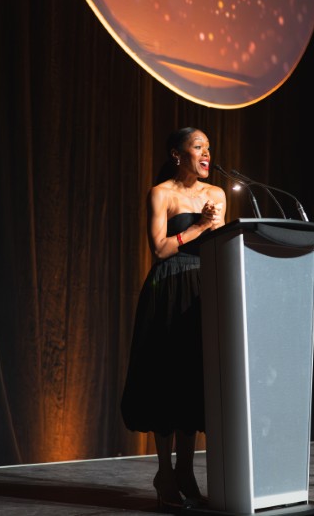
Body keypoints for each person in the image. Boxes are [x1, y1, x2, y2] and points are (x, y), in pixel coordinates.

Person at [121, 127, 226, 509]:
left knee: (193, 381)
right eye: (198, 146)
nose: (207, 153)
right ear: (177, 154)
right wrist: (198, 226)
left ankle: (186, 470)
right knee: (165, 379)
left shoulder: (216, 194)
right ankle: (165, 472)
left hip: (202, 288)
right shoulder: (161, 193)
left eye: (208, 147)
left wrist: (214, 226)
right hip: (167, 287)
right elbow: (160, 249)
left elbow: (220, 245)